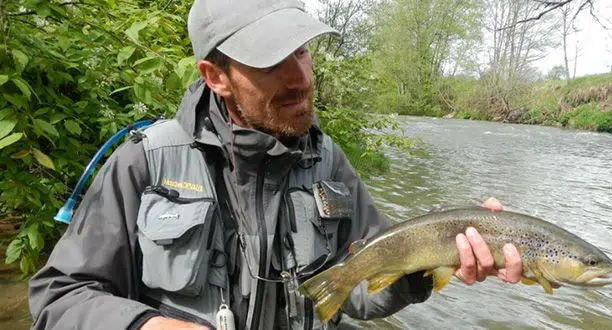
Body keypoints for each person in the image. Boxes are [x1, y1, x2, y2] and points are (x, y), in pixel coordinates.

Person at [27, 0, 524, 329]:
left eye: (302, 51)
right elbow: (57, 297)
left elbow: (354, 293)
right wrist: (144, 326)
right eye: (269, 61)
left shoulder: (329, 162)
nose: (299, 77)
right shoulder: (144, 161)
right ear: (214, 76)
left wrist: (428, 264)